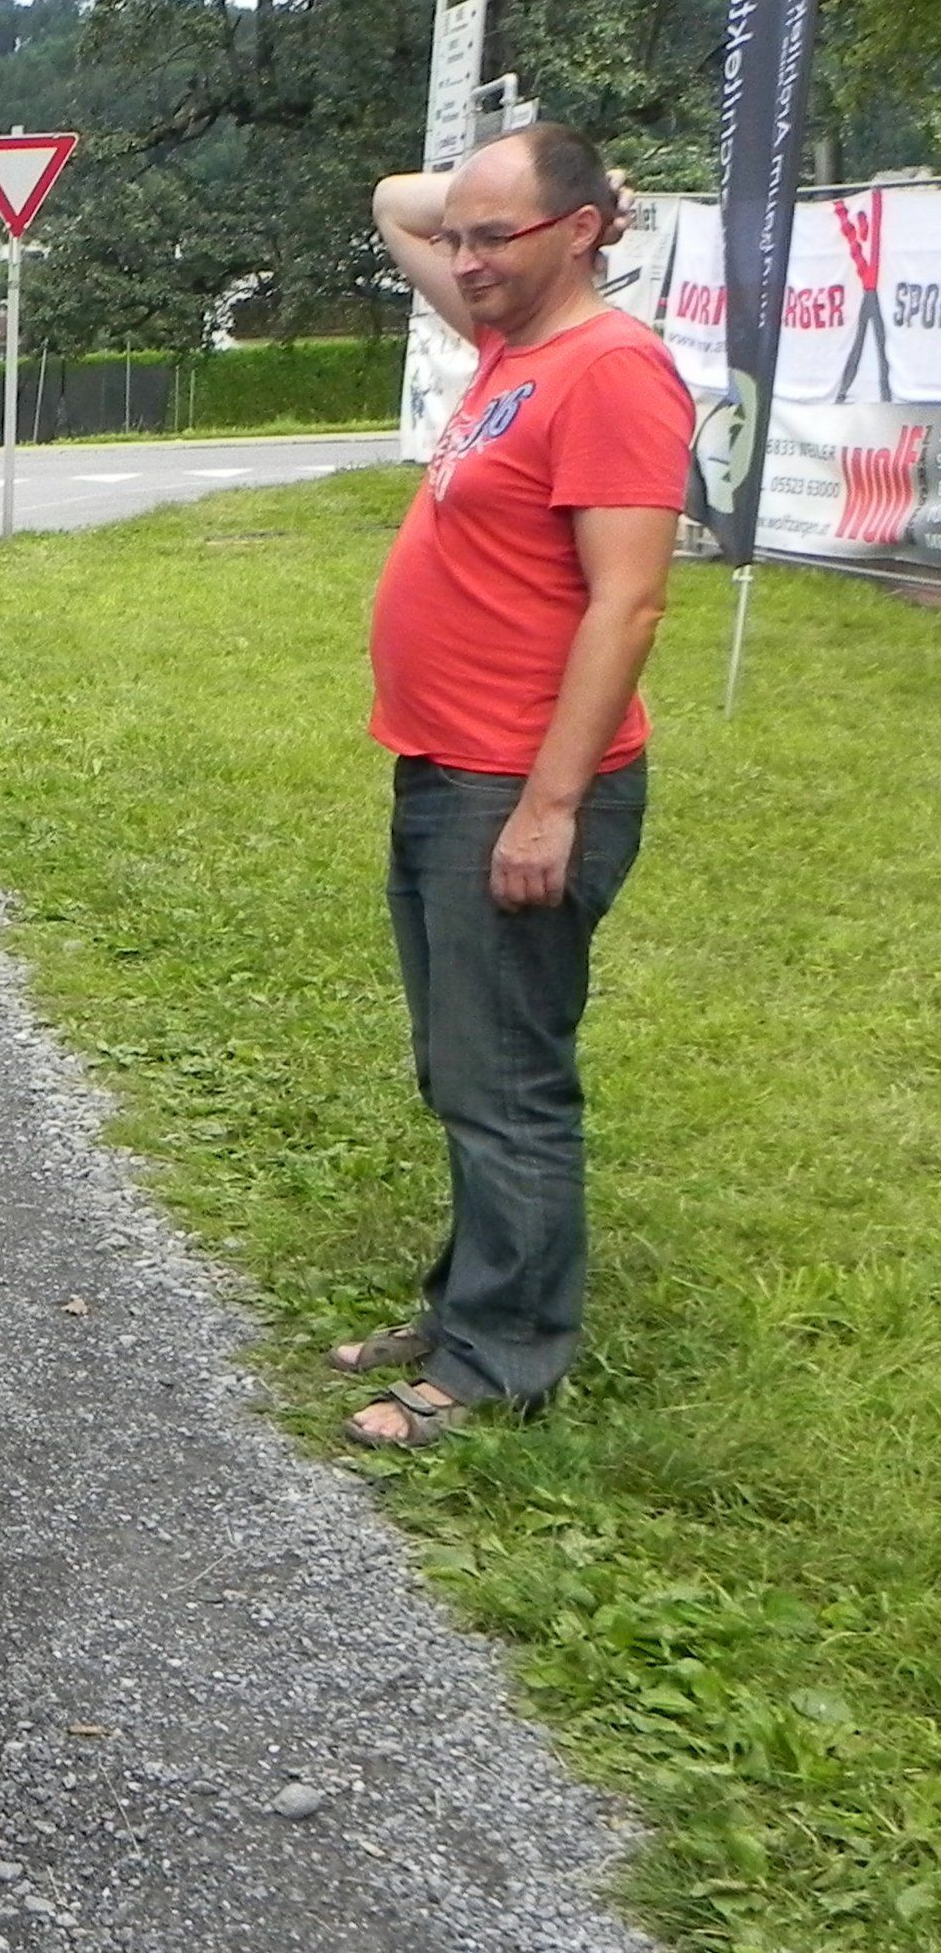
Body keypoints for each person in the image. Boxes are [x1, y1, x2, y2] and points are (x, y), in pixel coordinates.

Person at [343, 125, 686, 1450]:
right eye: (465, 239)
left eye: (498, 237)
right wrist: (526, 201)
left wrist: (550, 805)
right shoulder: (511, 342)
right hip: (444, 768)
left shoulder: (610, 371)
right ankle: (470, 1309)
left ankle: (502, 1361)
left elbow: (629, 603)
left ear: (581, 234)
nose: (468, 259)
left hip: (516, 786)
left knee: (507, 1082)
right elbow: (395, 200)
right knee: (462, 1067)